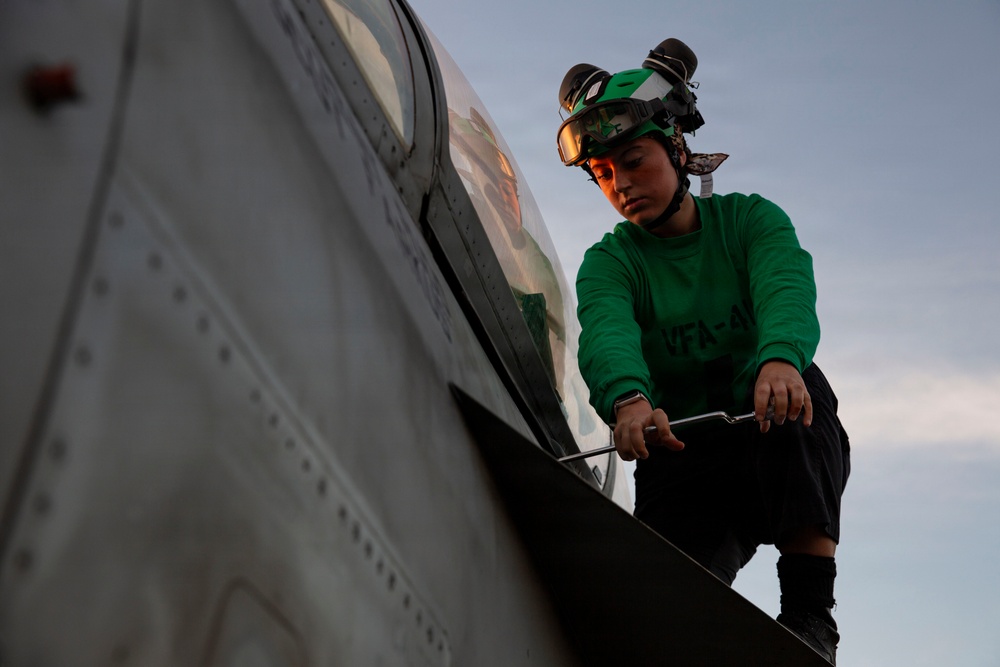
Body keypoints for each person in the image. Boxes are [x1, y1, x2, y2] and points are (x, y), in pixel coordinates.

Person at [556, 39, 850, 664]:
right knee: (654, 611)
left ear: (678, 150)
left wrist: (778, 357)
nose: (622, 185)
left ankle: (810, 619)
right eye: (604, 175)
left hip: (772, 427)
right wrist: (629, 402)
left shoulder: (750, 222)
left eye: (634, 161)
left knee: (799, 397)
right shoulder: (610, 263)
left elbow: (785, 288)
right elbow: (606, 332)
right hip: (683, 451)